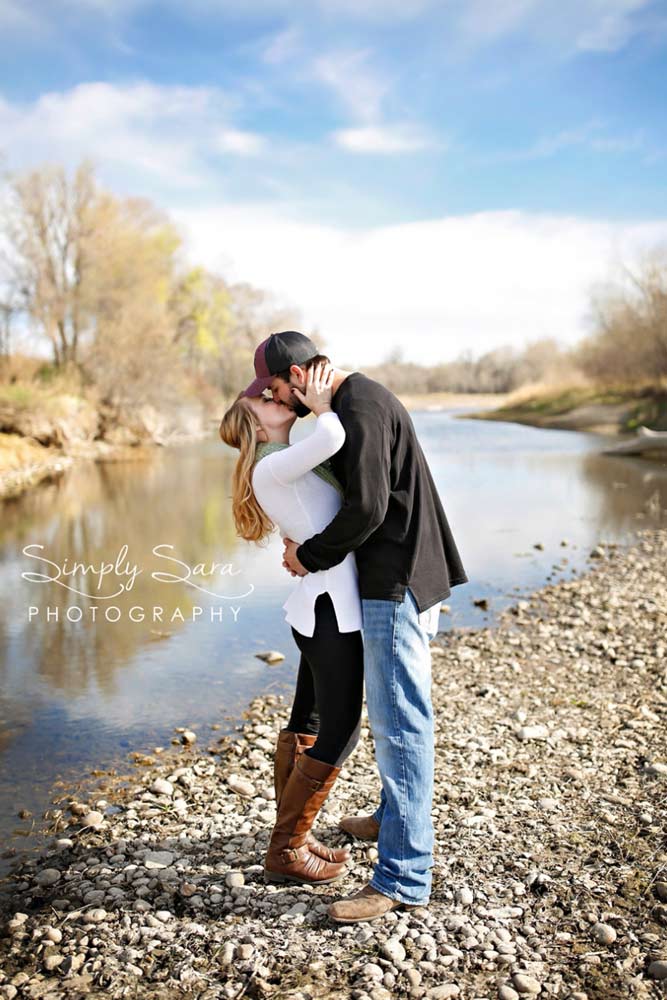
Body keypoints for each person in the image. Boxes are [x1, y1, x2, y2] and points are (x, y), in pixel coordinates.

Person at [250, 330, 469, 923]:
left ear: (296, 377)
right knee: (395, 718)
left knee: (400, 725)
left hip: (394, 580)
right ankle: (390, 821)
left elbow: (368, 507)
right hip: (394, 574)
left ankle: (403, 876)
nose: (275, 399)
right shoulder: (350, 405)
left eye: (275, 388)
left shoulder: (360, 407)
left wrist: (309, 556)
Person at [218, 360, 364, 888]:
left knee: (308, 720)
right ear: (255, 424)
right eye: (260, 398)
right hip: (330, 612)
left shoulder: (280, 460)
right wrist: (323, 403)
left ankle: (289, 835)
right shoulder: (272, 464)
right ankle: (287, 847)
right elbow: (331, 434)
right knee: (340, 729)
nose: (269, 395)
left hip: (320, 605)